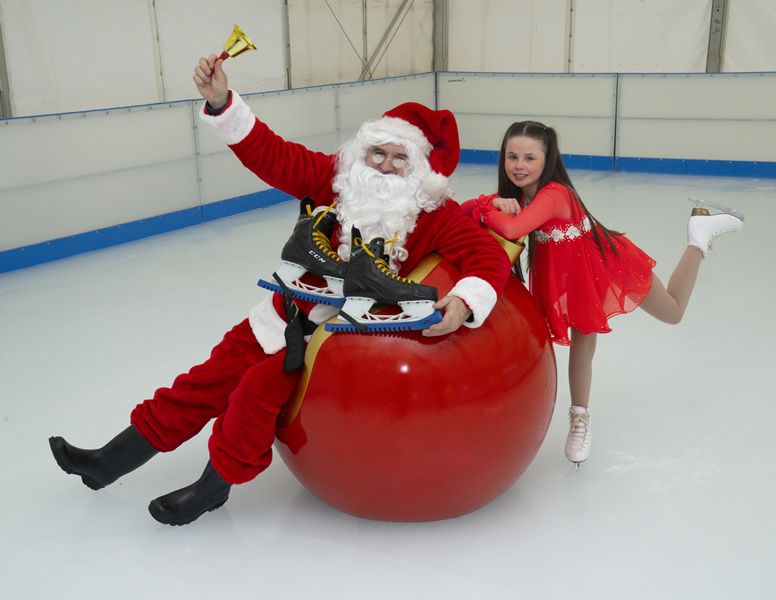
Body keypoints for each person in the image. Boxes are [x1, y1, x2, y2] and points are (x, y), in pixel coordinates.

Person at [48, 54, 511, 526]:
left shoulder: (434, 214)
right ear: (363, 152)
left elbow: (489, 257)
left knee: (254, 394)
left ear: (419, 169)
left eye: (400, 158)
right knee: (200, 384)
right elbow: (271, 154)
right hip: (280, 314)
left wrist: (465, 300)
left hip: (336, 345)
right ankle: (107, 463)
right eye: (378, 153)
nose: (385, 167)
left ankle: (212, 488)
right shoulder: (336, 180)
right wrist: (223, 102)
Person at [462, 121, 743, 467]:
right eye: (512, 156)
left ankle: (697, 239)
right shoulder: (520, 197)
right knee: (581, 345)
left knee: (672, 311)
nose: (519, 165)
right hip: (565, 277)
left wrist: (486, 206)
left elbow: (513, 228)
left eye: (529, 158)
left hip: (604, 265)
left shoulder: (555, 194)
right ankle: (578, 417)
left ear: (547, 160)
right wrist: (497, 202)